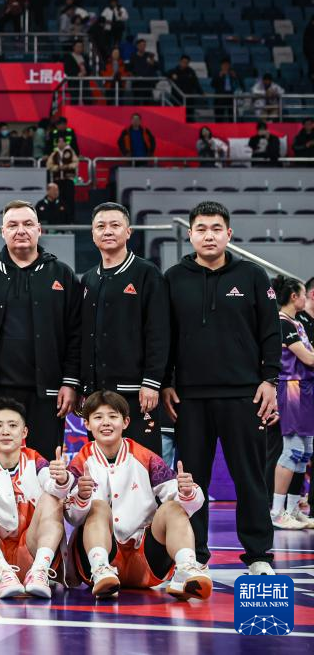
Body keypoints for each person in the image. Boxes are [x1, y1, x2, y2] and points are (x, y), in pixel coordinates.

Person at [162, 201, 280, 576]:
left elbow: (271, 331)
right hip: (189, 398)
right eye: (201, 229)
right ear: (190, 234)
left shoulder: (252, 275)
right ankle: (194, 555)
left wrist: (270, 380)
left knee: (251, 478)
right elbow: (163, 337)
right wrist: (165, 383)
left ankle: (259, 555)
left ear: (228, 234)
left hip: (244, 395)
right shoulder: (173, 278)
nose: (209, 235)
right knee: (191, 482)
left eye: (216, 228)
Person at [67, 391, 212, 600]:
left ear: (125, 422)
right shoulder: (80, 462)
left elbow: (185, 501)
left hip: (147, 558)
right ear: (87, 424)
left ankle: (186, 569)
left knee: (172, 507)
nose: (106, 423)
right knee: (98, 507)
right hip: (100, 558)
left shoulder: (145, 457)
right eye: (98, 417)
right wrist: (81, 497)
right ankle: (101, 569)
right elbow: (72, 517)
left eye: (113, 416)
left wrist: (187, 491)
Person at [0, 200, 81, 456]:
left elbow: (76, 333)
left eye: (28, 224)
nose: (20, 230)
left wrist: (70, 381)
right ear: (2, 231)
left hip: (47, 391)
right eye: (12, 225)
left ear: (39, 229)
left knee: (46, 466)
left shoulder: (62, 274)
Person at [0, 398, 72, 598]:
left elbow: (54, 486)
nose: (5, 431)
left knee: (52, 498)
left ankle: (40, 571)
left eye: (12, 425)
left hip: (29, 556)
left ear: (24, 432)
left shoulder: (36, 460)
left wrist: (62, 479)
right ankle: (3, 571)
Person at [80, 203, 169, 454]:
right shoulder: (89, 278)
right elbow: (83, 336)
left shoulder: (147, 273)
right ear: (93, 234)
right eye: (101, 226)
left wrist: (151, 382)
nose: (107, 231)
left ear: (128, 232)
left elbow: (159, 332)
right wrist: (83, 387)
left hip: (137, 394)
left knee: (142, 465)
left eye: (115, 225)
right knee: (101, 467)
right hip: (97, 396)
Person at [267, 277, 314, 530]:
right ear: (294, 297)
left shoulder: (297, 323)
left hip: (305, 389)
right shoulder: (282, 323)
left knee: (305, 451)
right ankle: (277, 511)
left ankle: (293, 510)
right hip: (293, 388)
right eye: (304, 293)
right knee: (292, 450)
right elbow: (308, 358)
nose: (307, 298)